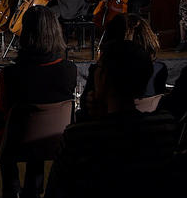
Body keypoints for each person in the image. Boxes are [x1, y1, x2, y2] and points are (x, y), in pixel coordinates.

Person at [45, 40, 178, 197]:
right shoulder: (166, 125)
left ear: (104, 77)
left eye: (97, 68)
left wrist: (95, 121)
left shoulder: (78, 137)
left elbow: (55, 191)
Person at [0, 6, 77, 198]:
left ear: (25, 34)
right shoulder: (70, 70)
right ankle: (33, 189)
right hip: (55, 140)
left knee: (2, 120)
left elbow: (3, 111)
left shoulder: (10, 74)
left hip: (16, 142)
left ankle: (11, 187)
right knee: (37, 123)